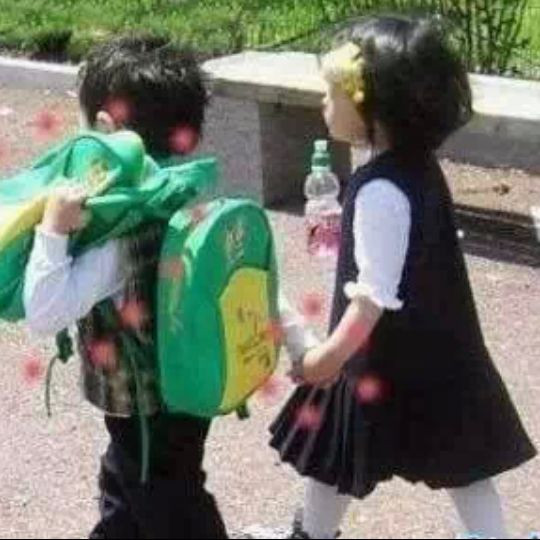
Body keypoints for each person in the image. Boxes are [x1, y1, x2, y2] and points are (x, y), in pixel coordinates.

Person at [23, 36, 318, 539]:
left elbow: (44, 311)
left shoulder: (118, 235)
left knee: (170, 502)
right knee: (127, 483)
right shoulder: (196, 198)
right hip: (192, 385)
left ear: (104, 129)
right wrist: (299, 341)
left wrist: (52, 232)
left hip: (143, 407)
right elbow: (247, 280)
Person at [269, 16, 536, 539]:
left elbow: (372, 297)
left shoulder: (379, 189)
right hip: (438, 351)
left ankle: (312, 534)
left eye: (332, 92)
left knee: (334, 461)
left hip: (373, 355)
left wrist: (327, 358)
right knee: (463, 467)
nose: (323, 101)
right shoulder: (418, 168)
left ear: (374, 106)